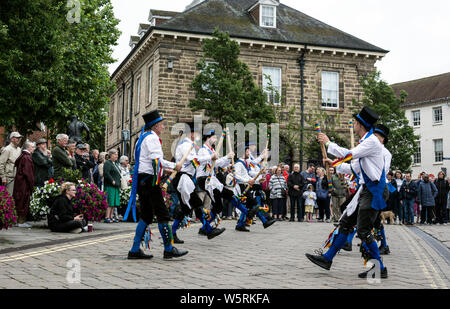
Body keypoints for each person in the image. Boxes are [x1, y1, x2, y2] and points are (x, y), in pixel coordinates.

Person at [306, 106, 390, 279]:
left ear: (360, 124)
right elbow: (354, 167)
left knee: (364, 231)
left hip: (375, 191)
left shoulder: (371, 142)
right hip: (366, 190)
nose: (354, 124)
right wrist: (335, 165)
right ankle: (327, 258)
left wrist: (328, 143)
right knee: (345, 223)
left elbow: (350, 155)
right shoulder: (367, 141)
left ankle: (379, 268)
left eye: (355, 122)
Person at [126, 110, 187, 260]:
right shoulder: (152, 139)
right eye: (162, 125)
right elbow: (157, 160)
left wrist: (166, 170)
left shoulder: (142, 138)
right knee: (163, 214)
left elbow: (149, 162)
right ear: (155, 126)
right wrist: (174, 166)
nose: (163, 128)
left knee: (146, 215)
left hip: (143, 179)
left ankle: (134, 249)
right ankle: (168, 248)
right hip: (150, 181)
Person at [171, 123, 224, 243]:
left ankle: (172, 233)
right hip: (182, 178)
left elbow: (196, 163)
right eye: (197, 133)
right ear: (192, 134)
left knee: (185, 209)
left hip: (186, 178)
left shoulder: (190, 145)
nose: (199, 136)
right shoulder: (185, 145)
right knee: (197, 203)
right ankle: (208, 230)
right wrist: (210, 156)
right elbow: (194, 160)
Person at [195, 129, 234, 237]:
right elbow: (204, 161)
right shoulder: (203, 150)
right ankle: (207, 228)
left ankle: (205, 228)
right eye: (214, 137)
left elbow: (217, 163)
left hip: (211, 179)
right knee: (217, 204)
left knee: (220, 204)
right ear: (209, 138)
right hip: (204, 179)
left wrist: (228, 158)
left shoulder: (211, 150)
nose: (216, 139)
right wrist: (217, 157)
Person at [13, 141, 36, 227]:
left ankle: (18, 221)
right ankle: (20, 222)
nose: (34, 149)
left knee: (19, 200)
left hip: (20, 182)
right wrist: (31, 185)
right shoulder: (27, 158)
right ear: (28, 148)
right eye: (32, 147)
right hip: (24, 183)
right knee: (23, 200)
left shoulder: (23, 156)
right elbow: (28, 173)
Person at [103, 149, 121, 223]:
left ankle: (111, 216)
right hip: (110, 185)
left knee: (114, 202)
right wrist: (112, 180)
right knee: (109, 201)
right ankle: (107, 217)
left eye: (117, 154)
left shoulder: (115, 163)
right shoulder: (107, 163)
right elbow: (106, 173)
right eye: (115, 154)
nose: (117, 156)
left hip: (116, 185)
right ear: (111, 155)